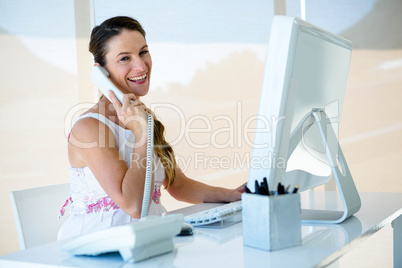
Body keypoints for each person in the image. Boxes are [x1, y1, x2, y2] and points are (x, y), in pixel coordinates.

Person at [58, 16, 244, 240]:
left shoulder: (142, 116)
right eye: (125, 58)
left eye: (143, 52)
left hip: (151, 238)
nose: (140, 65)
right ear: (101, 73)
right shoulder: (89, 128)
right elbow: (134, 205)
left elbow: (179, 185)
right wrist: (141, 134)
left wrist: (234, 195)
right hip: (101, 245)